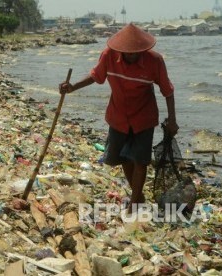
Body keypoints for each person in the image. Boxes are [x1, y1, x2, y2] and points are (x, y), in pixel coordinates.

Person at [59, 23, 179, 213]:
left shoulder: (154, 61)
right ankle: (138, 195)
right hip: (118, 116)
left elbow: (168, 91)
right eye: (127, 53)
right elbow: (95, 76)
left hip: (144, 117)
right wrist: (73, 87)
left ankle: (134, 203)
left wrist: (172, 119)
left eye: (135, 52)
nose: (131, 55)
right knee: (124, 158)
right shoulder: (108, 56)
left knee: (141, 161)